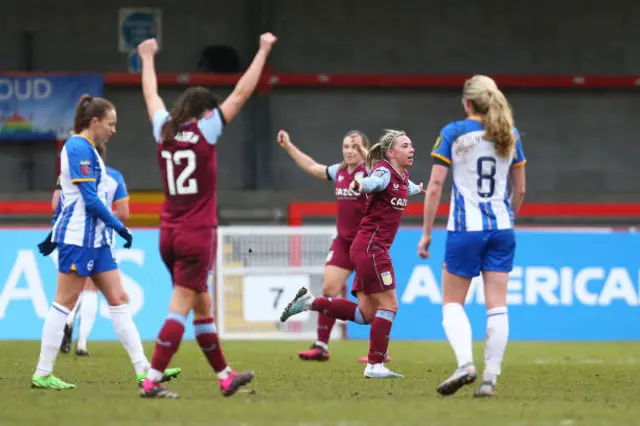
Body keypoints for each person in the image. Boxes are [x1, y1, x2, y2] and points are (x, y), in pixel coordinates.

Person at [136, 32, 277, 398]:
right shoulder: (206, 130)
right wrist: (262, 50)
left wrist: (148, 58)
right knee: (180, 306)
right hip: (197, 234)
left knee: (202, 306)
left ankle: (226, 376)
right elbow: (242, 93)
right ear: (203, 112)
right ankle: (151, 379)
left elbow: (151, 95)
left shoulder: (163, 129)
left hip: (167, 232)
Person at [32, 95, 180, 390]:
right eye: (110, 124)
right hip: (79, 237)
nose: (114, 130)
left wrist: (111, 230)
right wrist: (118, 226)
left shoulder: (90, 150)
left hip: (97, 240)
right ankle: (43, 372)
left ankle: (144, 370)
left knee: (119, 299)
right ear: (95, 122)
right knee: (64, 302)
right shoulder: (76, 147)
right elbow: (88, 199)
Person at [280, 129, 423, 378]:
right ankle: (374, 363)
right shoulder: (375, 173)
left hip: (364, 246)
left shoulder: (394, 174)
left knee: (365, 314)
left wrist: (418, 188)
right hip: (369, 247)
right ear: (391, 152)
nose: (349, 150)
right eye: (346, 146)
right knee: (388, 304)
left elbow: (395, 181)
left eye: (355, 147)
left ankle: (309, 303)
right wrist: (361, 184)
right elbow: (374, 180)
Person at [417, 75, 526, 397]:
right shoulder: (510, 133)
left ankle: (466, 363)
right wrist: (508, 217)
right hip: (502, 228)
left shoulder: (453, 132)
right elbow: (519, 189)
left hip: (465, 229)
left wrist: (426, 233)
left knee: (452, 303)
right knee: (497, 306)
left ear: (467, 103)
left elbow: (435, 186)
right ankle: (490, 378)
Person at [57, 142, 131, 356]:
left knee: (72, 287)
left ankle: (68, 320)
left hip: (73, 231)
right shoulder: (114, 176)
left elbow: (56, 204)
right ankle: (82, 343)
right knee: (92, 289)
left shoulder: (69, 172)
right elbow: (124, 213)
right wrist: (107, 216)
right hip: (101, 235)